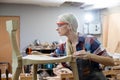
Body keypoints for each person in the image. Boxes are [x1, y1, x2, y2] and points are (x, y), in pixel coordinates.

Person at [51, 13, 114, 80]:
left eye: (59, 25)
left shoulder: (89, 40)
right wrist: (61, 68)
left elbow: (111, 61)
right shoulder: (63, 47)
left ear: (69, 26)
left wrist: (90, 56)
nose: (57, 29)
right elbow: (51, 58)